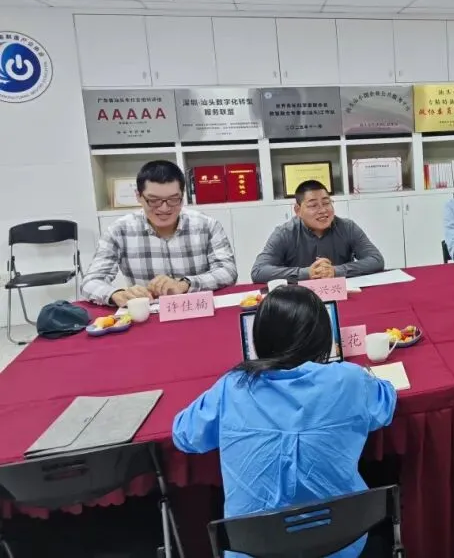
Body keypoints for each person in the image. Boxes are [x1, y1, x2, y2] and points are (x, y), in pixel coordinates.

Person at [173, 285, 396, 558]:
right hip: (342, 542)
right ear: (324, 339)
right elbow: (385, 404)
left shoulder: (233, 387)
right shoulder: (349, 380)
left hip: (252, 548)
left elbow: (184, 435)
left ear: (258, 339)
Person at [82, 160, 237, 306]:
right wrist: (116, 294)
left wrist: (185, 284)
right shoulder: (119, 231)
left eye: (173, 199)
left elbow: (228, 271)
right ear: (138, 196)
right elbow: (90, 281)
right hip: (148, 313)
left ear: (182, 196)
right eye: (154, 200)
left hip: (196, 308)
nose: (164, 208)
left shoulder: (207, 226)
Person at [251, 180, 384, 283]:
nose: (323, 210)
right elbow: (258, 271)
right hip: (300, 298)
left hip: (341, 292)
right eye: (313, 205)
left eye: (326, 203)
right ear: (298, 210)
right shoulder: (284, 233)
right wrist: (307, 273)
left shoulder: (347, 227)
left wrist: (336, 271)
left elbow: (376, 260)